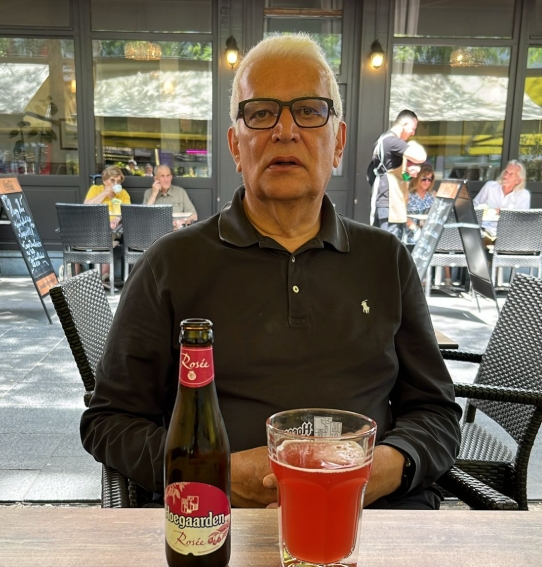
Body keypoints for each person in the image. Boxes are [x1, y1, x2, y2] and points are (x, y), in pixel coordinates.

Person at [81, 33, 461, 511]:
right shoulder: (171, 264)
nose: (285, 131)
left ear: (339, 142)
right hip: (218, 532)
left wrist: (384, 468)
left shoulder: (386, 260)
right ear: (236, 146)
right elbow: (108, 422)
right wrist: (212, 472)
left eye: (309, 110)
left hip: (375, 523)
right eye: (261, 113)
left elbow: (437, 413)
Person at [368, 110, 427, 240]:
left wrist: (409, 175)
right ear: (405, 123)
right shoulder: (392, 141)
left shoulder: (383, 140)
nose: (413, 133)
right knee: (390, 248)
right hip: (390, 204)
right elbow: (421, 157)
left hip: (386, 200)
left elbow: (398, 176)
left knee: (383, 246)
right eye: (413, 128)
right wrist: (412, 145)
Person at [84, 165, 131, 285]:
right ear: (105, 180)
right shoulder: (95, 189)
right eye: (112, 180)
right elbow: (86, 205)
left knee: (109, 234)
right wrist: (105, 193)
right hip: (93, 228)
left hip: (113, 230)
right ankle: (101, 277)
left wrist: (116, 218)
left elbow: (126, 211)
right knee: (103, 236)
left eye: (118, 181)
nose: (115, 183)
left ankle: (101, 277)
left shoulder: (123, 194)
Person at [473, 160, 531, 238]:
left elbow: (522, 220)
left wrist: (502, 212)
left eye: (511, 174)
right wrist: (485, 211)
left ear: (518, 180)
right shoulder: (490, 186)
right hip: (483, 232)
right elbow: (474, 206)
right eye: (506, 172)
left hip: (508, 235)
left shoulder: (523, 195)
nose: (506, 176)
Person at [143, 164, 198, 229]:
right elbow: (144, 218)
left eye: (168, 175)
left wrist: (182, 221)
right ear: (156, 179)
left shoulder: (180, 192)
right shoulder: (148, 193)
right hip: (157, 234)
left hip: (177, 233)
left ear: (171, 177)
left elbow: (194, 216)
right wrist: (154, 194)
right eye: (162, 176)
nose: (166, 179)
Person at [404, 164, 435, 248]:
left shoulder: (433, 195)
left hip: (427, 239)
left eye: (430, 179)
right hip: (409, 238)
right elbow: (401, 213)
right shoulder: (407, 194)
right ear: (417, 178)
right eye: (424, 179)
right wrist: (415, 229)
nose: (427, 182)